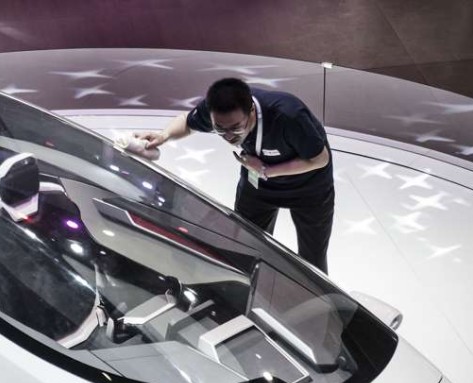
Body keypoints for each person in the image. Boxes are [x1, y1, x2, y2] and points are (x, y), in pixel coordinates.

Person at [135, 78, 334, 273]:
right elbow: (187, 122)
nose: (229, 136)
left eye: (236, 128)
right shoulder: (216, 110)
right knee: (247, 247)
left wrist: (267, 170)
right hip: (258, 185)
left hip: (309, 188)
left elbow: (320, 159)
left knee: (313, 259)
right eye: (220, 129)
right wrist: (164, 135)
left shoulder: (289, 115)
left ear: (252, 112)